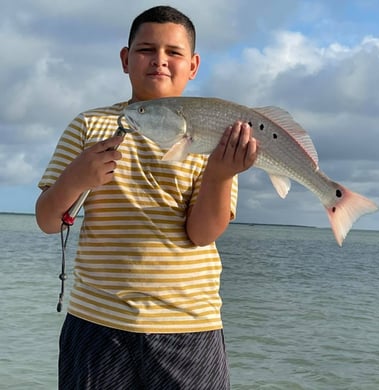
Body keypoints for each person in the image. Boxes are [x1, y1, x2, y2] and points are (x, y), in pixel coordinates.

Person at [36, 5, 258, 389]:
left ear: (193, 65)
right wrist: (74, 179)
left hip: (189, 324)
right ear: (125, 59)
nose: (159, 61)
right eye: (145, 50)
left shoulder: (213, 135)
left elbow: (202, 234)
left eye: (174, 52)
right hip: (97, 323)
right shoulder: (90, 125)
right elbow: (47, 220)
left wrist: (221, 174)